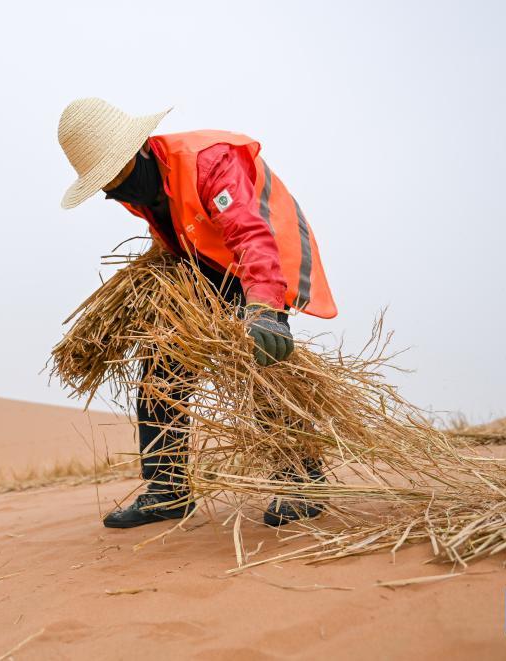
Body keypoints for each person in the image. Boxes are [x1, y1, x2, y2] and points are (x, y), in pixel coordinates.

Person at [57, 98, 337, 529]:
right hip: (203, 262)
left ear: (138, 152)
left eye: (115, 175)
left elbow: (250, 231)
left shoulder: (210, 161)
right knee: (160, 360)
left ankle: (304, 478)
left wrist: (263, 308)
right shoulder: (141, 185)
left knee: (260, 358)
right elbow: (182, 226)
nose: (112, 191)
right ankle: (167, 489)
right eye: (103, 184)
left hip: (260, 262)